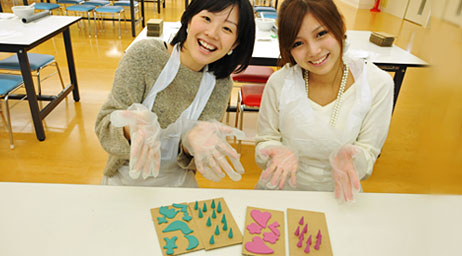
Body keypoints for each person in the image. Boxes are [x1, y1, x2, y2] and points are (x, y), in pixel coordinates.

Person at [95, 0, 255, 187]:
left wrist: (191, 143)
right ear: (189, 19)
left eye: (227, 29)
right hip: (123, 182)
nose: (212, 33)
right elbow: (103, 126)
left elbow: (195, 156)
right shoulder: (145, 56)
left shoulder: (220, 84)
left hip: (178, 185)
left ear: (235, 44)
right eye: (206, 18)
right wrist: (130, 128)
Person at [254, 0, 394, 201]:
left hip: (340, 196)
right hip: (280, 191)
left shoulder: (377, 84)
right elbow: (265, 140)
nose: (313, 51)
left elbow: (368, 152)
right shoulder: (280, 82)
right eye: (298, 43)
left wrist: (355, 159)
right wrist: (275, 151)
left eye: (321, 34)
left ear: (340, 25)